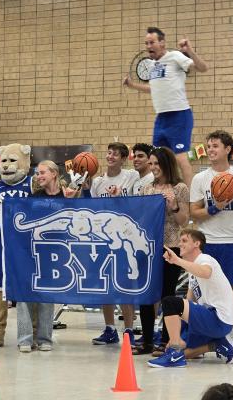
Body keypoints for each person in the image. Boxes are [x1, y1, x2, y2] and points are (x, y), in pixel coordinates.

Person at [190, 130, 233, 357]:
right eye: (209, 146)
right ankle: (205, 339)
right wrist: (214, 207)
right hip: (207, 243)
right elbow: (194, 212)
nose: (211, 150)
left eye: (216, 146)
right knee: (202, 293)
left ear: (228, 149)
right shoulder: (200, 178)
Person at [123, 27, 208, 187]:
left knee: (181, 158)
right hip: (161, 119)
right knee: (158, 158)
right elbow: (154, 89)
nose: (148, 46)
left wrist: (189, 50)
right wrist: (132, 85)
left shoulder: (175, 56)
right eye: (146, 43)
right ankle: (165, 191)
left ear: (162, 43)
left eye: (152, 42)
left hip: (179, 116)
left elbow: (203, 68)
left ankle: (191, 199)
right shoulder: (154, 66)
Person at [147, 228, 233, 368]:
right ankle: (215, 344)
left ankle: (175, 354)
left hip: (218, 318)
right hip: (210, 320)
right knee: (181, 347)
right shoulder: (191, 270)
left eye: (184, 241)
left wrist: (177, 261)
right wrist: (176, 334)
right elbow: (189, 302)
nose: (180, 244)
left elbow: (206, 273)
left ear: (196, 244)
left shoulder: (205, 259)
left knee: (169, 302)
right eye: (180, 241)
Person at [17, 160, 79, 352]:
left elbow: (80, 221)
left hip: (58, 254)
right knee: (23, 294)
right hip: (32, 252)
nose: (38, 176)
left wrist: (71, 201)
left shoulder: (69, 194)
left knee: (47, 296)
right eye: (37, 173)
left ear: (54, 173)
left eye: (42, 172)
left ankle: (44, 338)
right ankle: (25, 339)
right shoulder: (33, 197)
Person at [133, 146, 189, 355]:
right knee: (146, 294)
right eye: (152, 163)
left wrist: (173, 205)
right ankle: (147, 339)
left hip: (170, 246)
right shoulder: (147, 188)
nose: (154, 167)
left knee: (167, 295)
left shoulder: (180, 187)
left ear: (167, 164)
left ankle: (166, 339)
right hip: (148, 246)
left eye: (157, 163)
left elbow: (183, 220)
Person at [91, 142, 140, 346]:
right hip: (104, 238)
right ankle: (110, 329)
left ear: (123, 158)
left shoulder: (131, 177)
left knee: (125, 286)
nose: (110, 156)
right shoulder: (97, 182)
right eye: (109, 153)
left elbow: (138, 204)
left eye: (115, 154)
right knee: (106, 285)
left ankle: (128, 330)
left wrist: (119, 199)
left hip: (125, 237)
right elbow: (93, 209)